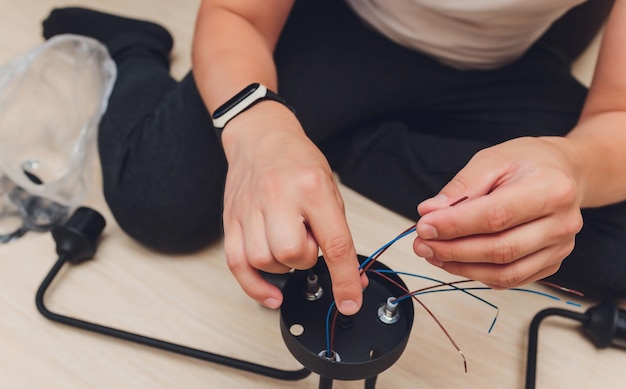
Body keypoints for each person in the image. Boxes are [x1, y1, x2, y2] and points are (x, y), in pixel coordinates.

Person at [41, 0, 625, 315]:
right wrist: (257, 125)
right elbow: (237, 16)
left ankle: (333, 131)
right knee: (159, 198)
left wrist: (570, 166)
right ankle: (131, 43)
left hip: (507, 64)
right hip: (341, 23)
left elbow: (617, 114)